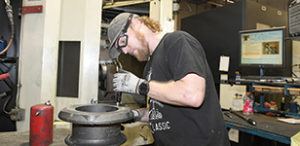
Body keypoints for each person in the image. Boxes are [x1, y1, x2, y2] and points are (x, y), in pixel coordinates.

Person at [107, 12, 230, 146]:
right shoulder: (149, 66)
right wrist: (133, 115)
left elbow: (192, 95)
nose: (124, 51)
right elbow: (160, 112)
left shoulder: (177, 41)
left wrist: (140, 86)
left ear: (136, 24)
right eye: (120, 49)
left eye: (123, 41)